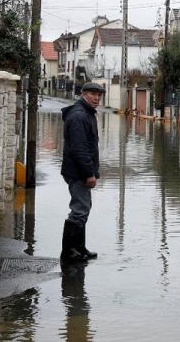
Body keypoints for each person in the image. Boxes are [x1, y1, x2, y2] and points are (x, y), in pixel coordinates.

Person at [60, 82, 105, 261]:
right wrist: (89, 173)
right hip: (78, 171)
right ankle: (69, 252)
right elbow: (80, 149)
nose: (97, 98)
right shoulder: (79, 116)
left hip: (79, 170)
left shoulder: (86, 113)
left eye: (99, 95)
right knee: (79, 209)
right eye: (93, 94)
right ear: (83, 94)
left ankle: (79, 248)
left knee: (83, 208)